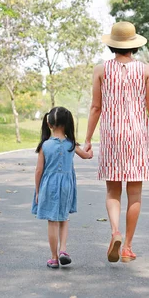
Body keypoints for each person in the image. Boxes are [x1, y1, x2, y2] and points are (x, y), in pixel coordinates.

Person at [84, 21, 149, 263]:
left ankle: (115, 232)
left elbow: (96, 107)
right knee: (135, 194)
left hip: (111, 135)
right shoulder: (146, 70)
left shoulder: (100, 70)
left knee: (112, 190)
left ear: (112, 45)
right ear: (133, 46)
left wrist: (87, 139)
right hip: (138, 135)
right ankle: (127, 246)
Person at [32, 106, 92, 269]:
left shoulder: (44, 145)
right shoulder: (71, 144)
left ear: (49, 124)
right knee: (64, 218)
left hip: (48, 186)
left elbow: (39, 171)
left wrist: (38, 192)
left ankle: (53, 257)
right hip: (66, 186)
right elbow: (87, 155)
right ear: (68, 124)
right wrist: (88, 146)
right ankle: (63, 250)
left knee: (52, 221)